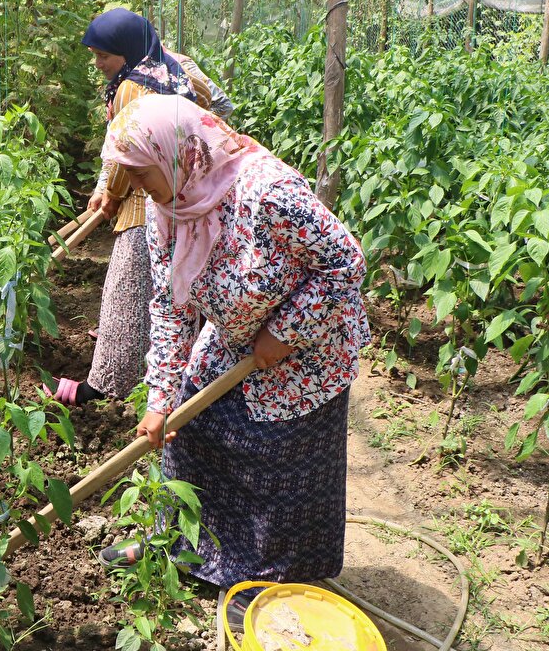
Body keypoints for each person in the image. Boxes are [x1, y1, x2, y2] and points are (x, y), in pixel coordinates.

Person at [96, 93, 370, 622]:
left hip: (309, 347)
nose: (139, 189)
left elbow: (344, 263)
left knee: (276, 461)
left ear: (180, 152)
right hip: (235, 337)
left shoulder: (267, 192)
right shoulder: (168, 209)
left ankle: (268, 578)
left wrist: (287, 333)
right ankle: (177, 547)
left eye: (142, 173)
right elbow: (169, 307)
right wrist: (160, 398)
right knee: (190, 428)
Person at [46, 8, 231, 407]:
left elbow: (125, 151)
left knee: (126, 292)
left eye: (103, 56)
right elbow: (221, 106)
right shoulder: (172, 63)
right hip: (189, 195)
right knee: (178, 289)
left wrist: (111, 193)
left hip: (145, 202)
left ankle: (106, 384)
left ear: (125, 51)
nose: (98, 65)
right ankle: (180, 377)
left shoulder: (131, 87)